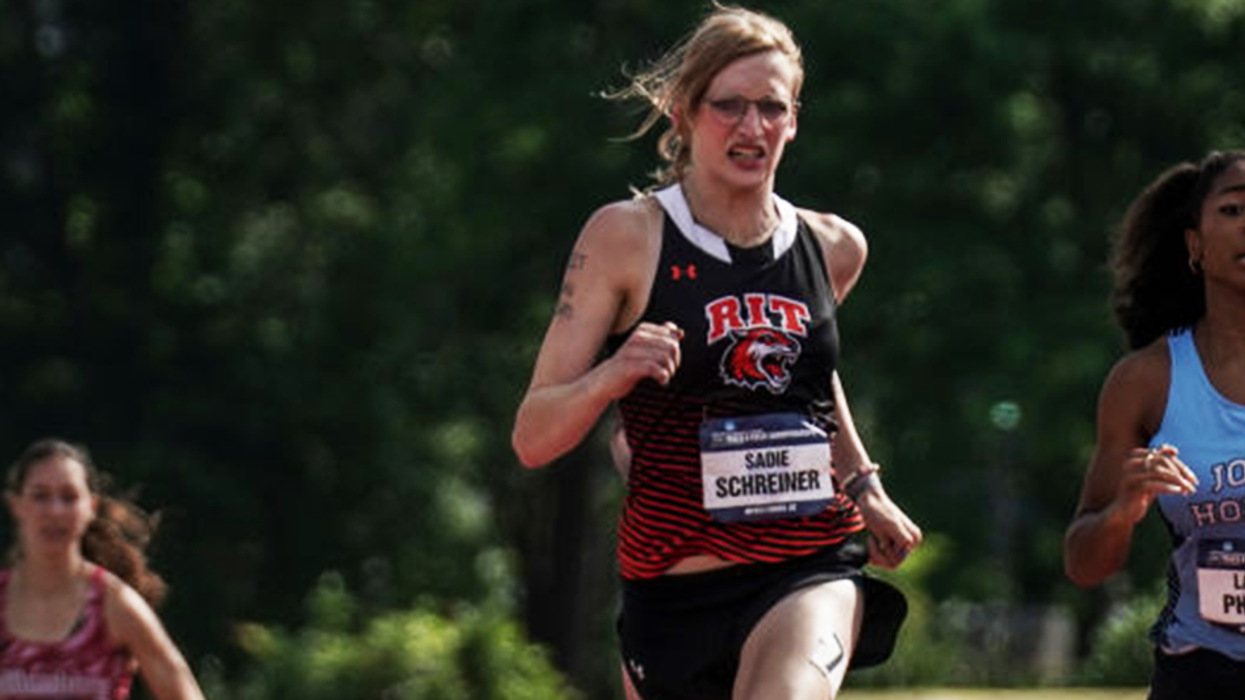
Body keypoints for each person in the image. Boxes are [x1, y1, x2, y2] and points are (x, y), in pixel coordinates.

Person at [512, 6, 922, 699]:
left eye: (771, 107)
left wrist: (864, 486)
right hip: (669, 587)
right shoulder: (626, 238)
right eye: (727, 106)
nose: (751, 127)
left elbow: (811, 381)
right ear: (682, 113)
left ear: (794, 119)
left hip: (807, 563)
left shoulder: (832, 247)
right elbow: (532, 437)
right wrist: (612, 376)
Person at [1064, 150, 1245, 698]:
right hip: (1202, 673)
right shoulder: (1146, 381)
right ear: (1195, 245)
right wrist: (1123, 512)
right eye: (1234, 209)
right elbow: (1084, 563)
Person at [1, 438, 207, 700]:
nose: (54, 511)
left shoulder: (114, 606)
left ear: (91, 507)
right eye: (40, 496)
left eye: (69, 497)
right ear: (16, 505)